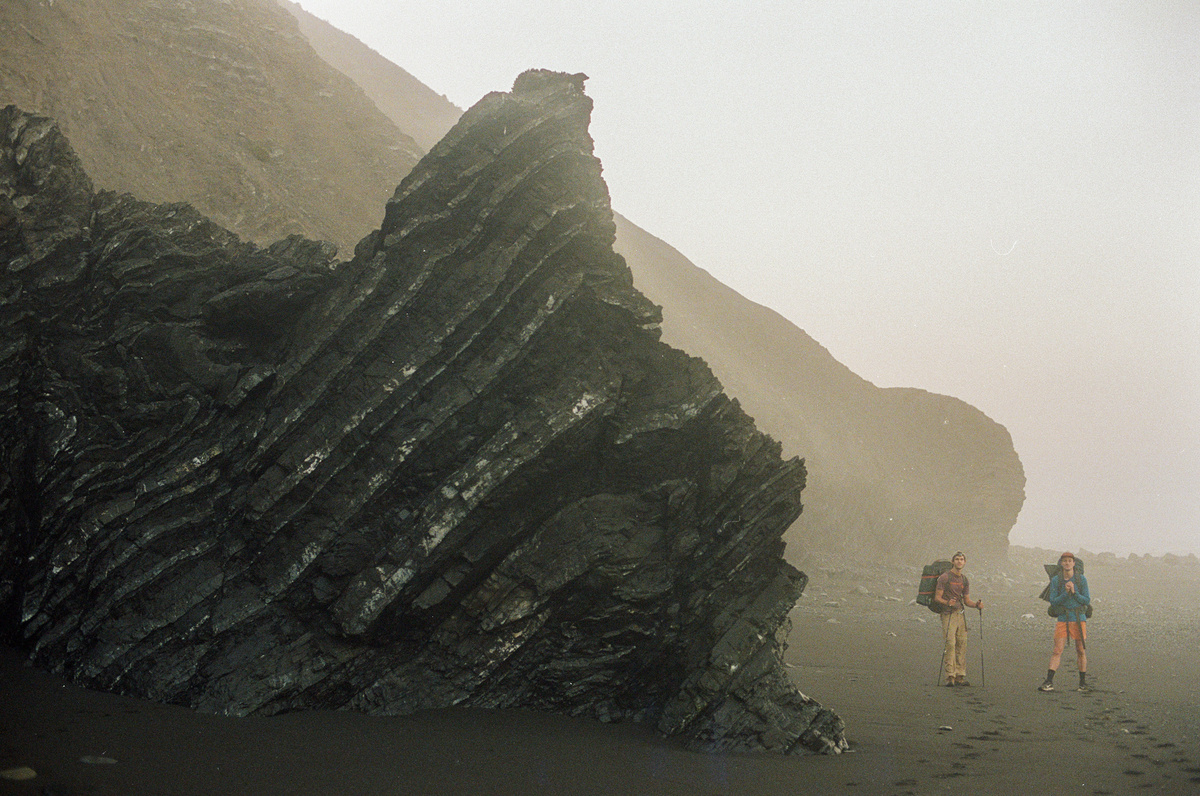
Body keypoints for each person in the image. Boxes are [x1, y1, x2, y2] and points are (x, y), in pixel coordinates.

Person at [1038, 551, 1091, 692]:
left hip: (1079, 619)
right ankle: (1049, 682)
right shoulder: (1056, 580)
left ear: (1074, 563)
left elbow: (1086, 600)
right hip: (1063, 619)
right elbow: (1054, 602)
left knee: (1080, 650)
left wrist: (1074, 592)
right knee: (1057, 650)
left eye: (1069, 561)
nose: (1067, 563)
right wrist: (1065, 594)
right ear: (1061, 563)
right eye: (1064, 560)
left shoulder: (1081, 580)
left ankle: (1082, 683)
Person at [933, 551, 984, 686]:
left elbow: (967, 600)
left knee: (961, 644)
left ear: (965, 562)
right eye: (957, 559)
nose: (959, 561)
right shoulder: (945, 577)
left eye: (962, 559)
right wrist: (946, 603)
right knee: (950, 643)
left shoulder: (964, 579)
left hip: (960, 614)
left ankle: (960, 676)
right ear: (953, 562)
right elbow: (937, 597)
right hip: (948, 614)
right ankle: (950, 676)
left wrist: (977, 605)